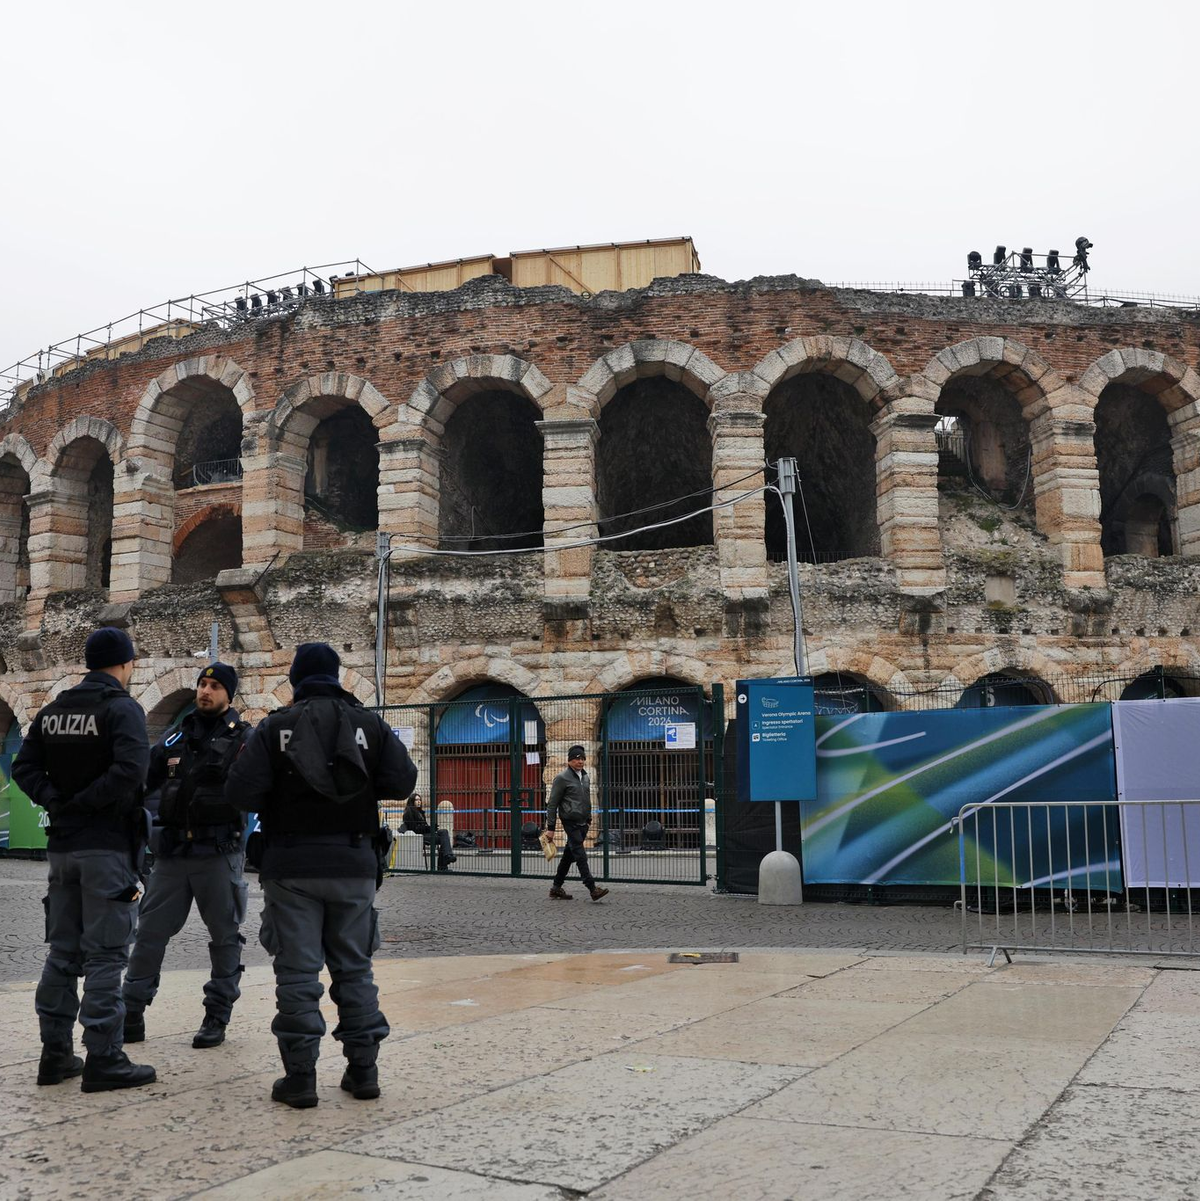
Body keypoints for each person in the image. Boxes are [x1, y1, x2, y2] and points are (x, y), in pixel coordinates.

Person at [224, 642, 416, 1108]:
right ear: (337, 676)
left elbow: (240, 791)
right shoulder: (368, 724)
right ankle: (363, 1071)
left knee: (296, 974)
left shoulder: (275, 727)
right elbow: (403, 782)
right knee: (355, 969)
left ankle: (301, 1078)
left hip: (291, 866)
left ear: (297, 679)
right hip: (354, 864)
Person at [13, 627, 156, 1092]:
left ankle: (54, 1056)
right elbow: (132, 771)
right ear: (125, 663)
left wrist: (55, 799)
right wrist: (88, 802)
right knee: (106, 956)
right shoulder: (121, 709)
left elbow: (24, 767)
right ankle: (104, 1058)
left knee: (63, 952)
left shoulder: (55, 710)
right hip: (106, 846)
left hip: (63, 849)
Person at [122, 663, 251, 1050]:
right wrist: (154, 823)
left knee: (225, 937)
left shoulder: (245, 737)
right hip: (173, 855)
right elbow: (145, 780)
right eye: (202, 684)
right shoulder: (176, 735)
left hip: (218, 853)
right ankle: (131, 1012)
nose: (205, 691)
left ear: (229, 695)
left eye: (214, 686)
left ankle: (216, 1015)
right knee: (149, 935)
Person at [544, 744, 609, 902]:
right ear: (569, 761)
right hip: (570, 821)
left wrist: (588, 819)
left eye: (582, 758)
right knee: (580, 854)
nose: (580, 761)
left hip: (583, 822)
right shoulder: (561, 778)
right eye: (576, 758)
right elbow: (552, 804)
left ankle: (556, 888)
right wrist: (550, 828)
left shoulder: (585, 776)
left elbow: (586, 799)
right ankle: (592, 888)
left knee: (568, 856)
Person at [400, 793, 456, 871]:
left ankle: (447, 856)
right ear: (412, 801)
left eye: (420, 800)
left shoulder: (421, 812)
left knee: (444, 832)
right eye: (416, 800)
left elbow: (424, 827)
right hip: (420, 836)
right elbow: (416, 829)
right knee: (444, 839)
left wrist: (432, 828)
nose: (419, 801)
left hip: (426, 834)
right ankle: (443, 865)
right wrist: (430, 828)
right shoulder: (408, 813)